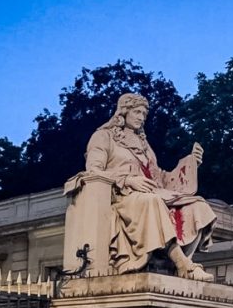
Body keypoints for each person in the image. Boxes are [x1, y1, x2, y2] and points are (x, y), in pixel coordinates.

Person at [83, 92, 216, 280]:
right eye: (137, 112)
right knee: (151, 201)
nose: (141, 117)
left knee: (198, 205)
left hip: (153, 192)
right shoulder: (103, 137)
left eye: (144, 114)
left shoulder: (144, 145)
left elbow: (159, 177)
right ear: (124, 112)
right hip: (121, 197)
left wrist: (191, 164)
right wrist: (127, 180)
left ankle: (183, 261)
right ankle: (183, 265)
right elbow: (93, 170)